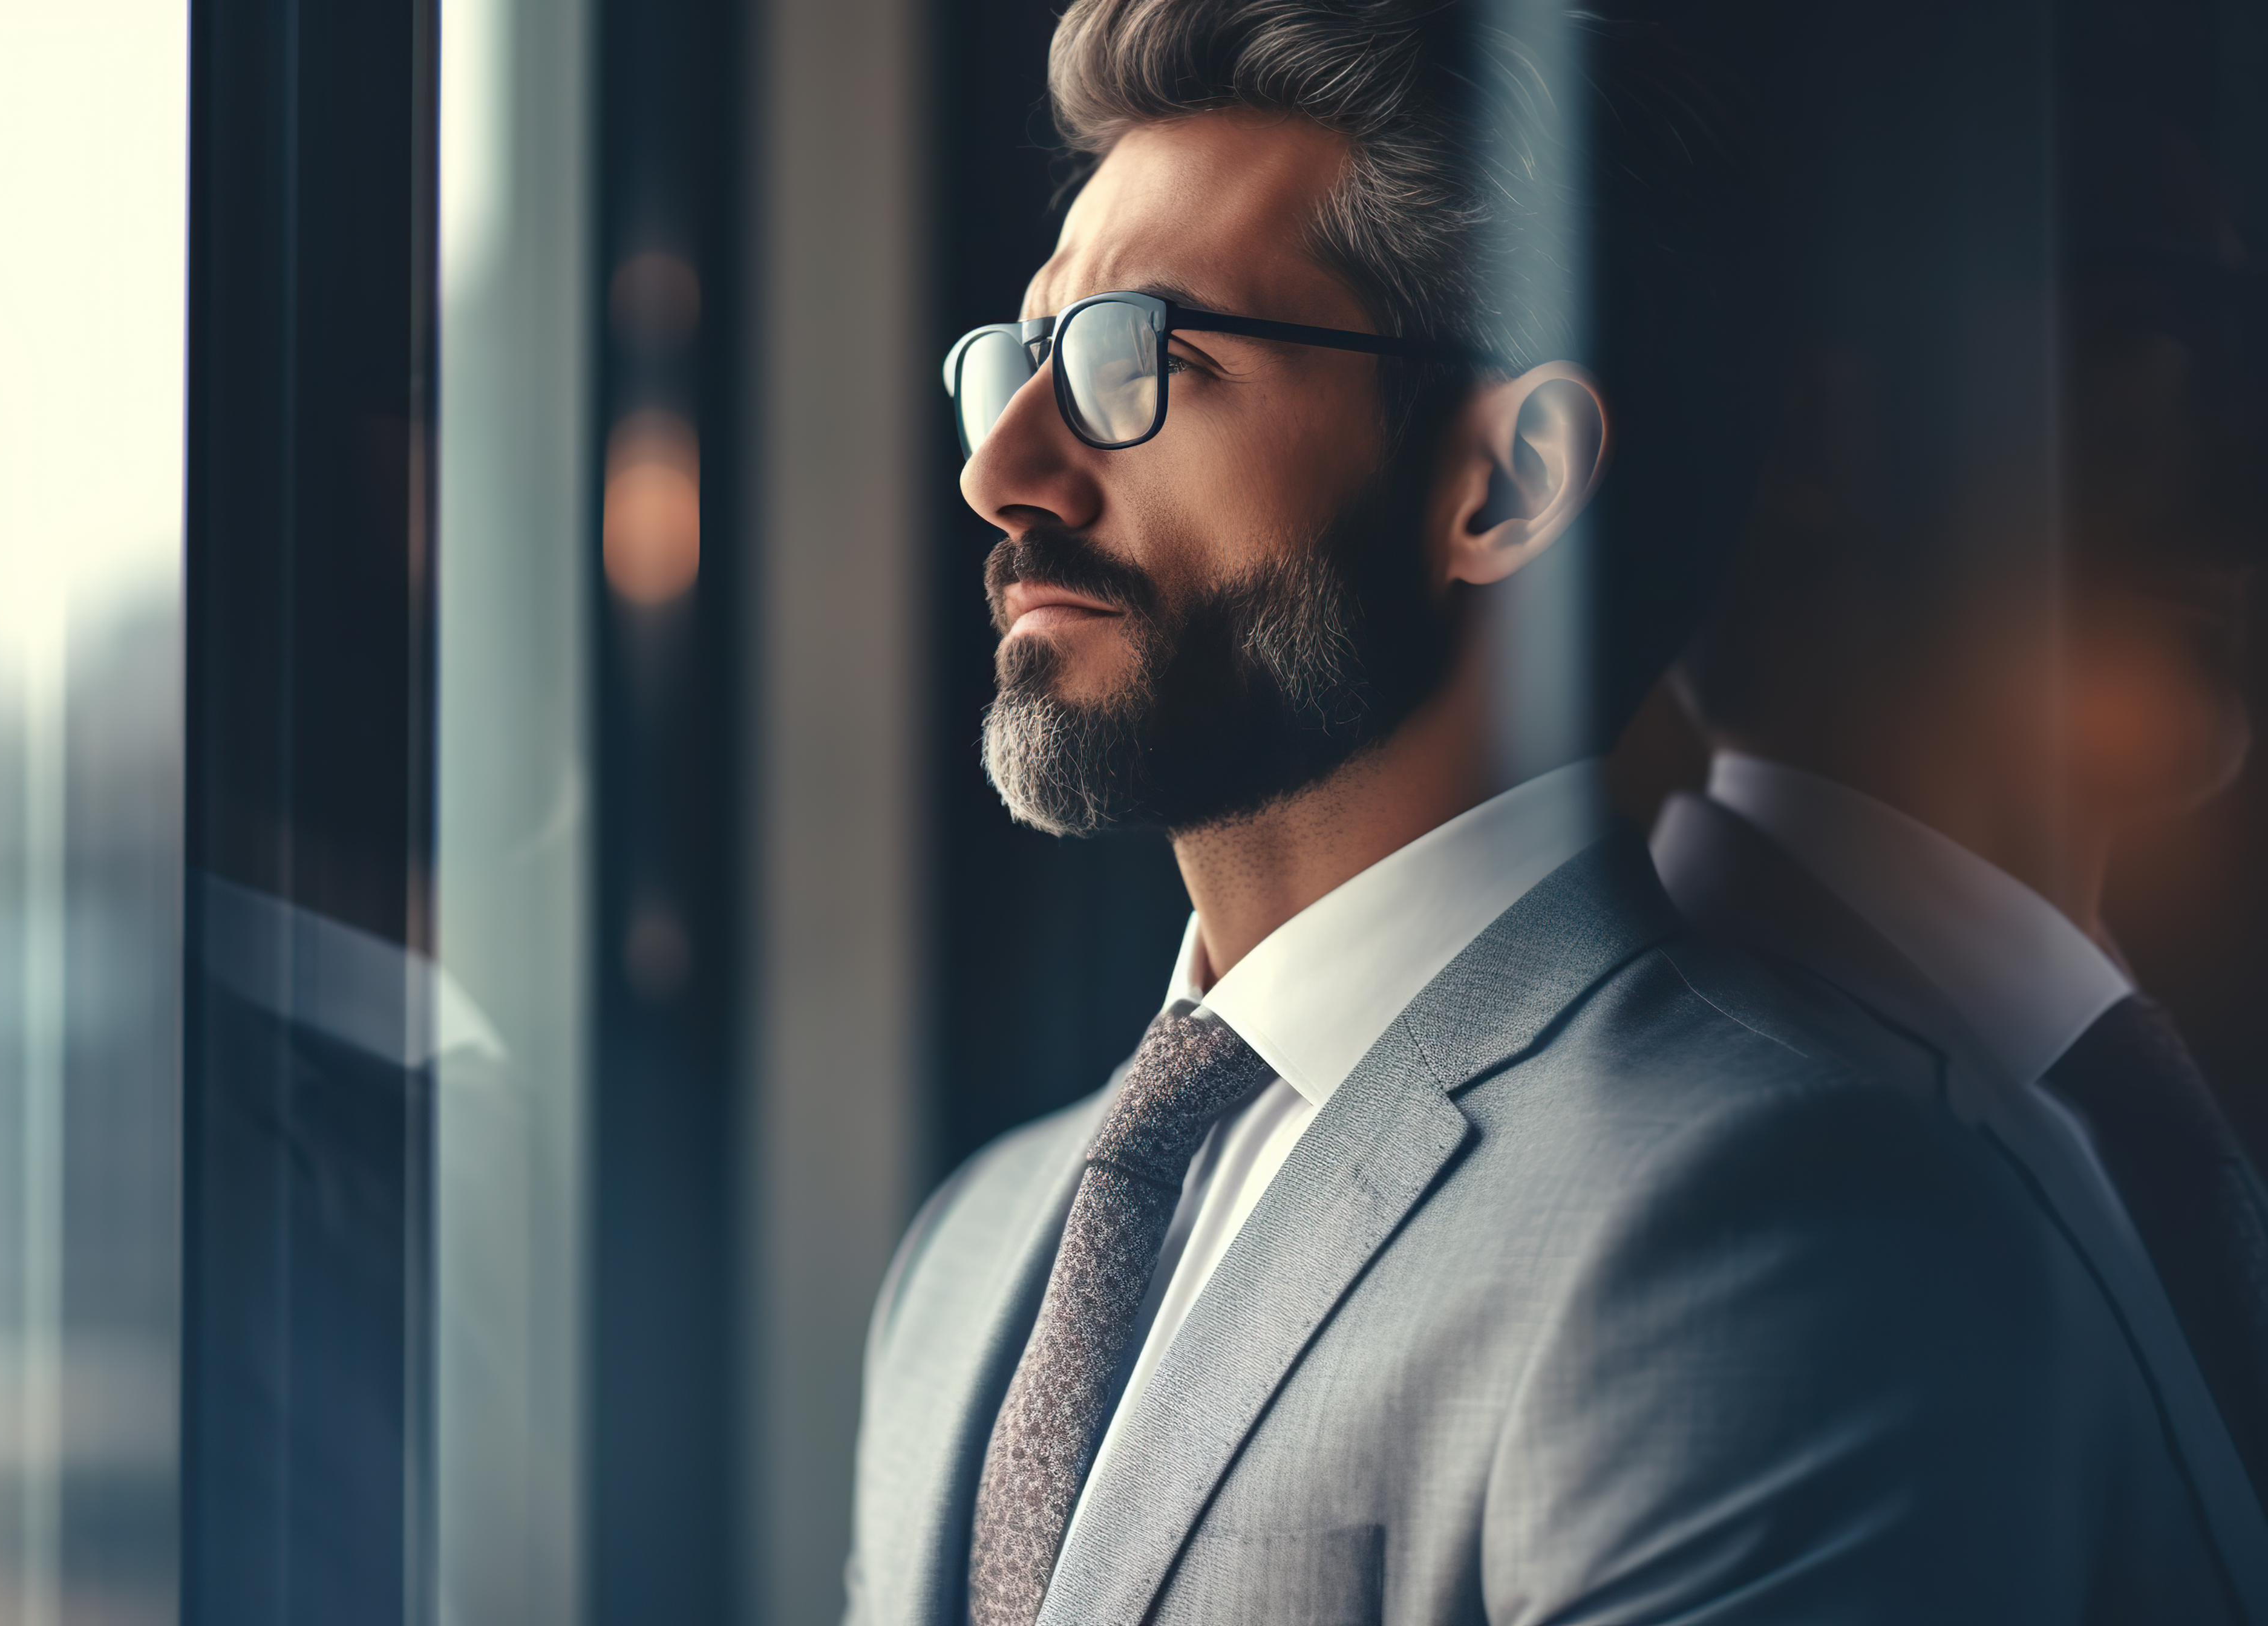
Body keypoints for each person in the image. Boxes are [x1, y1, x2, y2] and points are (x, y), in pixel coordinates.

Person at [846, 1, 2261, 1621]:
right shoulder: (972, 1255)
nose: (1003, 467)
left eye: (1134, 363)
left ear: (1505, 483)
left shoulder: (1782, 1220)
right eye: (1020, 358)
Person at [1652, 0, 2268, 1569]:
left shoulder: (2109, 1091)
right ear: (1806, 436)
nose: (2239, 467)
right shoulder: (1721, 1168)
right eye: (2150, 342)